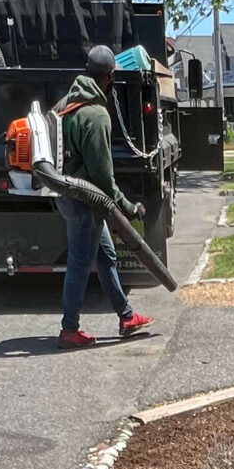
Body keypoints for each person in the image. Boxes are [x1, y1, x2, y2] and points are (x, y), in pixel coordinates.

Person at [54, 45, 154, 352]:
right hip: (85, 201)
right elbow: (103, 176)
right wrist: (128, 206)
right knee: (80, 263)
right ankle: (69, 329)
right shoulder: (95, 115)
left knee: (106, 255)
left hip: (67, 194)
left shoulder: (65, 103)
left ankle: (126, 316)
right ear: (110, 76)